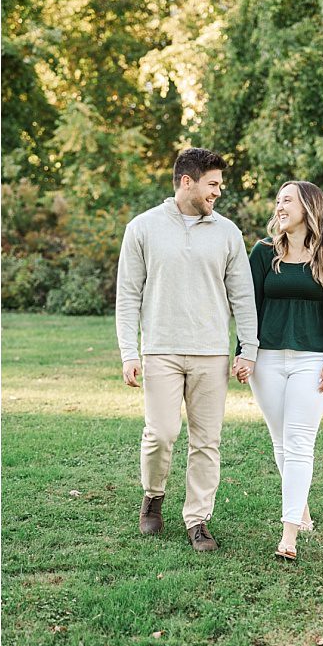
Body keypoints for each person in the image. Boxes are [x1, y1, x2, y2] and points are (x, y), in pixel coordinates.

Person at [115, 147, 258, 552]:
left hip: (211, 354)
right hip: (160, 349)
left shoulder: (228, 232)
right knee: (160, 433)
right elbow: (128, 296)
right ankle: (153, 496)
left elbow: (243, 298)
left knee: (206, 441)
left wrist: (248, 349)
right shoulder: (142, 228)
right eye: (212, 184)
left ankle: (197, 520)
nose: (218, 192)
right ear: (186, 181)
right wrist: (129, 351)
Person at [237, 180, 323, 561]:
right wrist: (245, 353)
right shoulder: (263, 252)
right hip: (266, 360)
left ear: (308, 205)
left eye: (287, 200)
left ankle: (289, 534)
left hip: (312, 360)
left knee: (300, 442)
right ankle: (301, 509)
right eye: (278, 201)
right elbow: (248, 308)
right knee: (280, 441)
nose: (279, 206)